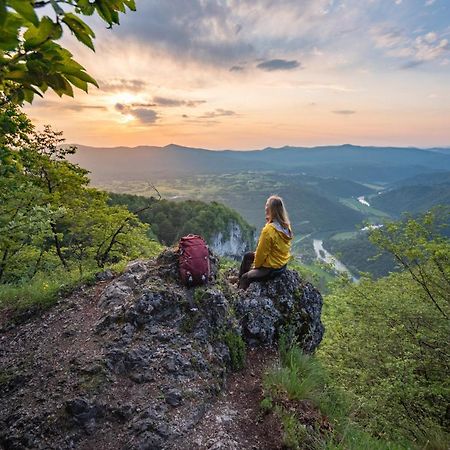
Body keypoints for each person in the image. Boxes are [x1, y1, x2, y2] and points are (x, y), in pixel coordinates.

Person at [239, 195, 293, 290]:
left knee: (245, 278)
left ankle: (240, 292)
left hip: (271, 269)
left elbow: (261, 253)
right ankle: (239, 282)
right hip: (282, 265)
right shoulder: (286, 226)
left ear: (272, 210)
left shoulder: (269, 230)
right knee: (248, 256)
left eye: (267, 205)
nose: (265, 207)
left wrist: (255, 267)